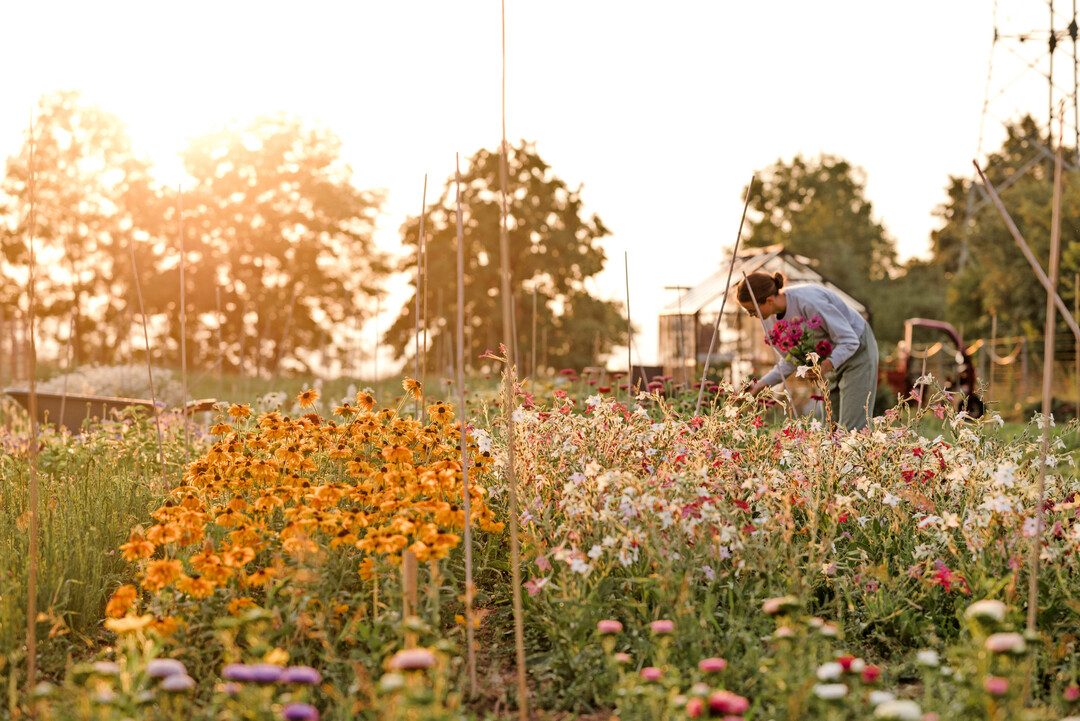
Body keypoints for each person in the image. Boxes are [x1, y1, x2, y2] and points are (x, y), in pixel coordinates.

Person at [737, 271, 878, 431]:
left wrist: (825, 365)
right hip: (829, 360)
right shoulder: (769, 320)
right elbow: (791, 360)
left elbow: (849, 340)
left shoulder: (809, 301)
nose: (750, 315)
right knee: (830, 429)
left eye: (752, 310)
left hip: (857, 348)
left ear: (769, 300)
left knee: (852, 429)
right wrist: (761, 384)